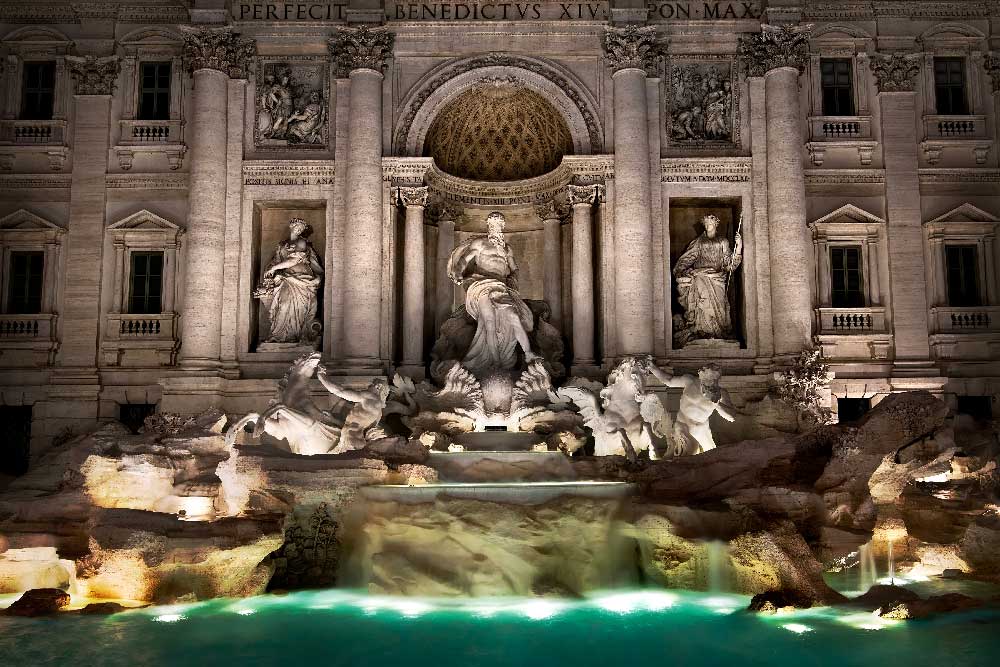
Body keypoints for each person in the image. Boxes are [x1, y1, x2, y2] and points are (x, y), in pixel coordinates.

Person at [446, 211, 539, 375]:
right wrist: (459, 273)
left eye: (499, 224)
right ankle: (496, 363)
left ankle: (529, 354)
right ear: (488, 225)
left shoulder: (507, 249)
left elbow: (514, 268)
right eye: (493, 223)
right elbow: (464, 260)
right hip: (482, 285)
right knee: (488, 321)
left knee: (514, 317)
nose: (497, 227)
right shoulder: (479, 243)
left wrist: (513, 280)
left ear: (503, 226)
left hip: (501, 287)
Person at [673, 214, 742, 346]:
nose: (707, 226)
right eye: (705, 224)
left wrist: (738, 247)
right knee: (702, 304)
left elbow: (729, 264)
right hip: (700, 277)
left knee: (720, 306)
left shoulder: (723, 241)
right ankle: (702, 331)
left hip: (717, 279)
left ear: (716, 225)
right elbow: (687, 258)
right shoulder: (699, 242)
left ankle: (718, 332)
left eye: (710, 224)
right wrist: (680, 271)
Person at [254, 218, 323, 344]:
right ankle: (278, 336)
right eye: (297, 227)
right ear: (291, 226)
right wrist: (271, 271)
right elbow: (275, 261)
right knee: (283, 305)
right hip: (285, 279)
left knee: (298, 310)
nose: (299, 230)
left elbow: (294, 261)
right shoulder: (282, 245)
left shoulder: (302, 242)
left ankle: (295, 336)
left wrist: (275, 268)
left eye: (301, 229)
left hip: (301, 279)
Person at [645, 361, 736, 454]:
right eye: (709, 378)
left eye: (714, 380)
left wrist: (716, 404)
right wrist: (652, 368)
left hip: (701, 428)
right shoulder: (690, 381)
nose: (712, 382)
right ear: (702, 374)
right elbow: (669, 380)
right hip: (683, 425)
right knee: (690, 453)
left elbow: (731, 418)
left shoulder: (721, 394)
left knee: (712, 454)